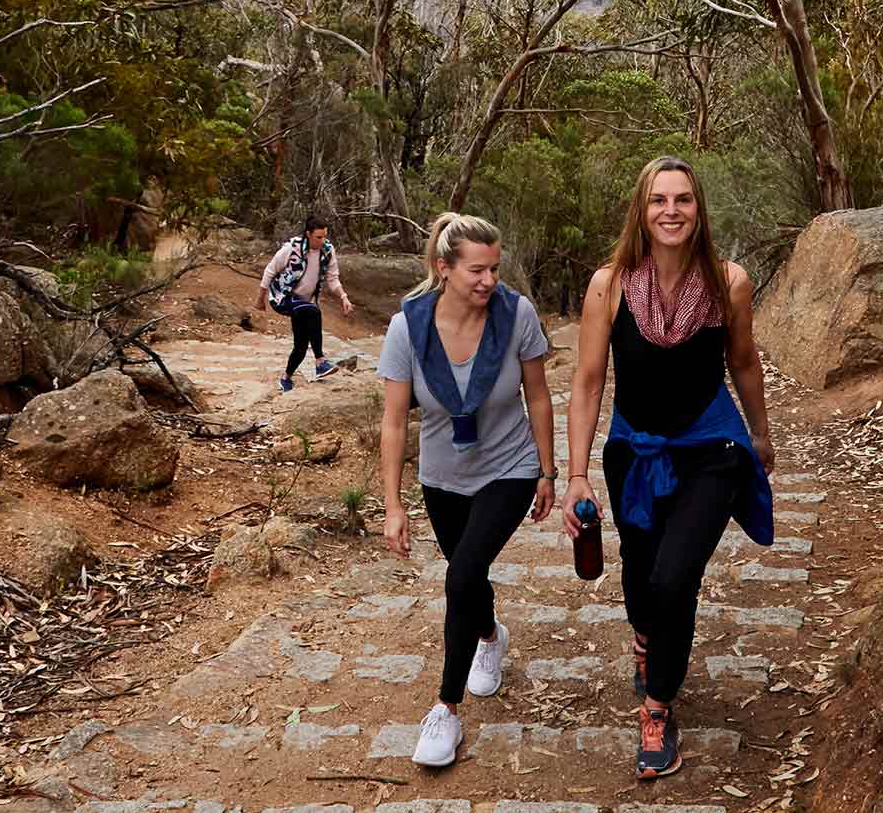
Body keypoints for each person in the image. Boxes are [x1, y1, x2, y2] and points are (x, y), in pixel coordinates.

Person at [562, 156, 774, 780]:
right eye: (659, 200)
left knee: (675, 577)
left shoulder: (729, 282)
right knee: (642, 569)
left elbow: (744, 363)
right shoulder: (610, 286)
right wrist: (576, 476)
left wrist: (761, 437)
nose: (671, 210)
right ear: (642, 209)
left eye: (683, 199)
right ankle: (646, 639)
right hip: (636, 449)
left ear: (698, 209)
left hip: (712, 449)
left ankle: (657, 709)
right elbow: (588, 380)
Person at [377, 212, 558, 767]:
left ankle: (445, 711)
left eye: (494, 269)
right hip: (442, 476)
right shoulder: (408, 327)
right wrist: (392, 505)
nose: (489, 282)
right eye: (477, 270)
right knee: (469, 576)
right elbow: (393, 421)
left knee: (460, 574)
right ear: (443, 268)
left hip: (510, 466)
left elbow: (539, 397)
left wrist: (549, 471)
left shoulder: (515, 314)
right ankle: (489, 635)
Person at [256, 214, 355, 392]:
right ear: (308, 234)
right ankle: (320, 362)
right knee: (314, 312)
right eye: (318, 237)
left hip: (303, 303)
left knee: (301, 345)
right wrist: (260, 298)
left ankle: (286, 378)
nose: (322, 240)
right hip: (283, 297)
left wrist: (343, 297)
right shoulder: (291, 248)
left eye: (324, 236)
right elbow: (270, 270)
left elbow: (333, 279)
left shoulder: (327, 251)